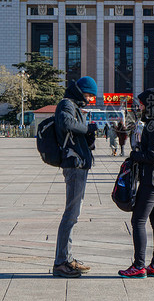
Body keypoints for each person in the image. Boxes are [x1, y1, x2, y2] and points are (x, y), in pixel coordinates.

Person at [118, 88, 154, 278]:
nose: (140, 106)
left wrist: (134, 155)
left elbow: (153, 156)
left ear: (151, 104)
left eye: (142, 103)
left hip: (153, 180)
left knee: (138, 220)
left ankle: (139, 265)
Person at [52, 76, 98, 278]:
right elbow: (66, 123)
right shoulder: (66, 104)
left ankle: (66, 258)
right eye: (88, 95)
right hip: (74, 165)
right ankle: (61, 262)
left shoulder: (75, 106)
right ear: (80, 91)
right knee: (70, 214)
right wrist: (87, 128)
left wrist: (89, 138)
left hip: (80, 164)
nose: (89, 99)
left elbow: (75, 133)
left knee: (74, 214)